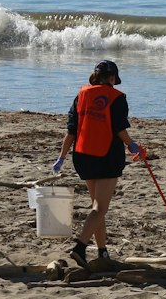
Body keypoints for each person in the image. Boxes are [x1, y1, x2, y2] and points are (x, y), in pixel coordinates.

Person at [52, 59, 144, 268]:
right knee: (100, 208)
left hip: (83, 156)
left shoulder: (81, 95)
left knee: (97, 207)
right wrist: (131, 144)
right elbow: (119, 128)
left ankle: (102, 251)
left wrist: (62, 157)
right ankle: (80, 248)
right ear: (112, 78)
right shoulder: (117, 98)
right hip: (106, 157)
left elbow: (71, 130)